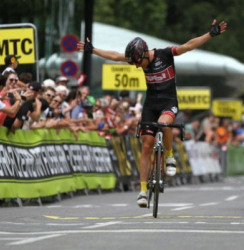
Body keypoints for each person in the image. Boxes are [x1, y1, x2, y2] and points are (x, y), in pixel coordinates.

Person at [77, 19, 227, 207]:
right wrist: (93, 50)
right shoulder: (137, 58)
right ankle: (142, 191)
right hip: (151, 103)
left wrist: (210, 34)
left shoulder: (164, 54)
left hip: (168, 101)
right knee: (146, 146)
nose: (138, 67)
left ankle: (170, 157)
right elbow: (115, 56)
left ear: (146, 54)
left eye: (139, 63)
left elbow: (188, 46)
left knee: (164, 124)